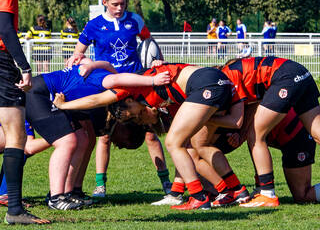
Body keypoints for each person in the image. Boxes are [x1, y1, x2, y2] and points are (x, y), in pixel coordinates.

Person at [53, 63, 239, 210]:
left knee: (174, 143)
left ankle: (200, 197)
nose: (137, 116)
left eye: (132, 114)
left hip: (207, 84)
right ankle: (231, 191)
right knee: (186, 145)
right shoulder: (156, 95)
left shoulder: (128, 89)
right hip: (214, 83)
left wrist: (64, 106)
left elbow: (96, 99)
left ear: (127, 100)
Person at [66, 0, 171, 198]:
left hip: (136, 85)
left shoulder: (135, 20)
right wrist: (77, 58)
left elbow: (149, 43)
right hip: (108, 87)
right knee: (103, 136)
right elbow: (79, 51)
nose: (120, 8)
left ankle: (166, 183)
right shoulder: (93, 25)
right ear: (104, 2)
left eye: (122, 3)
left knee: (151, 134)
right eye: (115, 4)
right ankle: (100, 186)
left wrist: (156, 61)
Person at [26, 59, 170, 210]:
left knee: (83, 140)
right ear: (126, 99)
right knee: (68, 142)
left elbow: (108, 66)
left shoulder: (110, 81)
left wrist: (92, 65)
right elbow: (115, 79)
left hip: (51, 93)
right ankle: (55, 198)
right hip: (40, 93)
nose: (137, 115)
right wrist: (153, 80)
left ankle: (68, 193)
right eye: (138, 113)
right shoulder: (110, 82)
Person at [219, 56, 320, 207]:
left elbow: (238, 117)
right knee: (317, 133)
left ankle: (267, 194)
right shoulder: (241, 75)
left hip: (286, 76)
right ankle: (262, 189)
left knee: (255, 134)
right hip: (300, 72)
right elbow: (252, 106)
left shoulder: (226, 77)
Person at [0, 0, 50, 224]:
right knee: (17, 134)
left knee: (6, 134)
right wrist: (25, 67)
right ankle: (15, 210)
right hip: (2, 61)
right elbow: (5, 27)